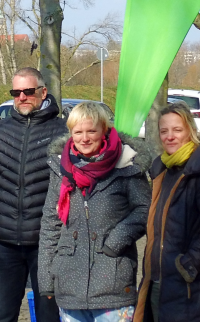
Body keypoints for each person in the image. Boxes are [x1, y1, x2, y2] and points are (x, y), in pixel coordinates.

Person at [38, 102, 151, 322]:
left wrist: (116, 240)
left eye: (91, 131)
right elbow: (51, 224)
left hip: (113, 279)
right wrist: (47, 279)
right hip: (70, 282)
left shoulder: (126, 164)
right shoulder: (61, 169)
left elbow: (144, 209)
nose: (85, 138)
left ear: (104, 131)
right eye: (78, 132)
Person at [0, 67, 67, 322]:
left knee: (50, 316)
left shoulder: (62, 132)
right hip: (4, 242)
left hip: (46, 243)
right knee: (2, 316)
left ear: (43, 91)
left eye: (28, 91)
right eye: (16, 92)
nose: (22, 97)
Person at [134, 102, 200, 322]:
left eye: (177, 130)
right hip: (159, 282)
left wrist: (189, 265)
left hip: (193, 287)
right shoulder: (162, 170)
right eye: (164, 131)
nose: (170, 137)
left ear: (190, 131)